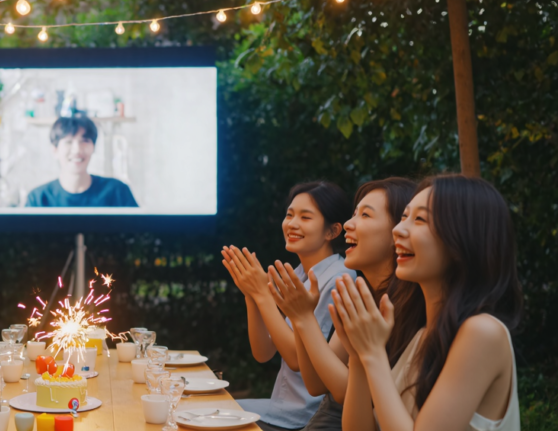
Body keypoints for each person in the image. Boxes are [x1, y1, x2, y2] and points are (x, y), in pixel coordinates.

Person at [333, 174, 523, 431]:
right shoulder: (422, 338)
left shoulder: (483, 332)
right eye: (403, 217)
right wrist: (357, 355)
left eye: (420, 219)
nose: (398, 230)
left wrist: (373, 353)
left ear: (463, 239)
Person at [267, 178, 425, 431]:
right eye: (354, 214)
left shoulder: (404, 305)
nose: (350, 224)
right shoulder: (365, 297)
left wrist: (298, 316)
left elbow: (342, 390)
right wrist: (300, 317)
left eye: (365, 215)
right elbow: (317, 384)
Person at [221, 181, 354, 431]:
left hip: (303, 417)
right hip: (281, 408)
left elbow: (295, 358)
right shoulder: (299, 273)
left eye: (305, 217)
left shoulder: (338, 278)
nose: (292, 224)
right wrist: (251, 294)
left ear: (332, 231)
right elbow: (264, 352)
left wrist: (262, 294)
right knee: (202, 409)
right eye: (290, 214)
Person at [25, 116, 138, 207]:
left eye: (84, 141)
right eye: (69, 142)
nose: (77, 149)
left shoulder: (117, 191)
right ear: (55, 150)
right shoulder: (38, 199)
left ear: (93, 147)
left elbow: (140, 234)